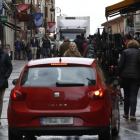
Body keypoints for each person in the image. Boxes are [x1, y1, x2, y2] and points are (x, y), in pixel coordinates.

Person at [116, 40, 140, 120]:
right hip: (136, 76)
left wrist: (117, 74)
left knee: (127, 94)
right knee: (134, 95)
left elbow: (121, 64)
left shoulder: (125, 52)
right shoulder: (139, 52)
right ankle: (132, 114)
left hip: (125, 76)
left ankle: (126, 113)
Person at [0, 41, 12, 126]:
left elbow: (10, 66)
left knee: (0, 102)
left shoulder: (4, 54)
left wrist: (5, 77)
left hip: (1, 82)